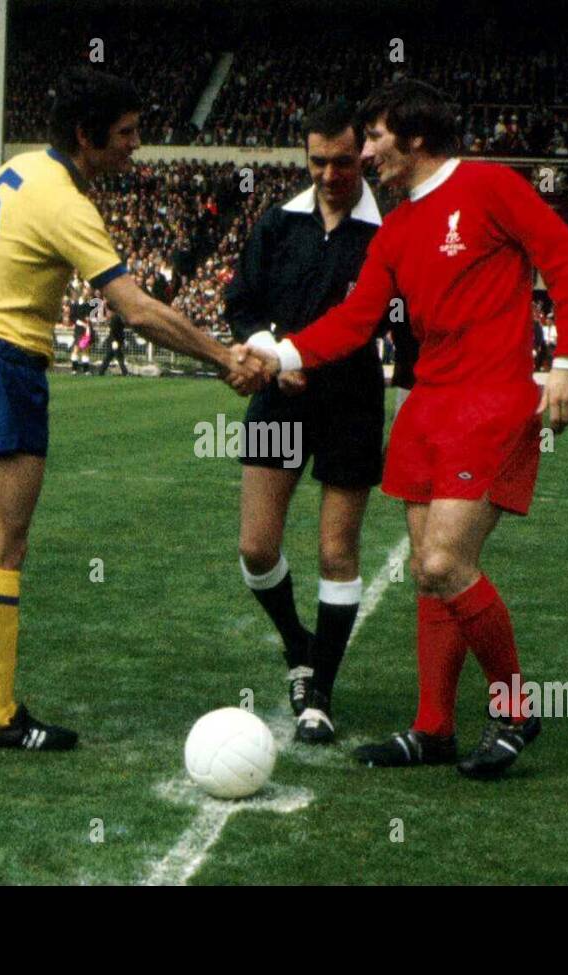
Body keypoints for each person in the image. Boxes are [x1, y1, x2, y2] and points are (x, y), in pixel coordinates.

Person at [0, 68, 264, 751]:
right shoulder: (68, 202)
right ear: (85, 135)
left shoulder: (18, 170)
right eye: (125, 134)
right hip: (3, 368)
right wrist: (224, 359)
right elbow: (134, 307)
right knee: (4, 544)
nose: (135, 147)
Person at [237, 80, 568, 779]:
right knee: (428, 580)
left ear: (414, 136)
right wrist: (277, 353)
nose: (366, 153)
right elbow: (352, 320)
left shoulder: (491, 187)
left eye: (373, 138)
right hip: (426, 407)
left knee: (442, 563)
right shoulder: (398, 227)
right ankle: (433, 728)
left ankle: (515, 706)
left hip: (490, 402)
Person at [225, 101, 388, 744]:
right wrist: (268, 351)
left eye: (341, 162)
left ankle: (319, 694)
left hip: (352, 402)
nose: (327, 173)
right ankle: (299, 646)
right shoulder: (278, 223)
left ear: (362, 158)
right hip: (277, 400)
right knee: (256, 547)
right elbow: (241, 304)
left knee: (334, 551)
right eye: (316, 161)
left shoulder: (387, 231)